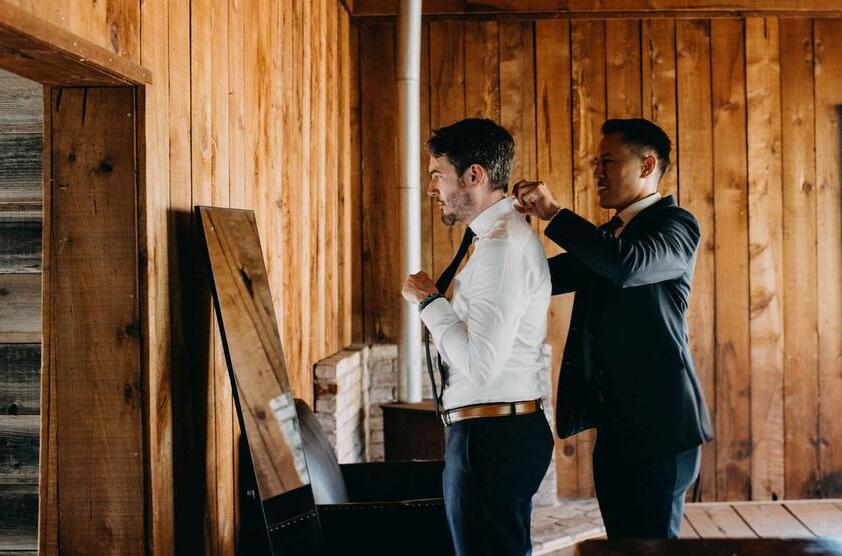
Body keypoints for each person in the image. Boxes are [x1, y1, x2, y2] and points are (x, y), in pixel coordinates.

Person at [513, 118, 714, 539]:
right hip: (616, 428)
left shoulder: (677, 225)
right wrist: (509, 233)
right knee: (622, 545)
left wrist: (553, 213)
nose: (597, 173)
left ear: (647, 165)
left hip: (662, 429)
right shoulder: (609, 237)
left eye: (608, 161)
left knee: (654, 548)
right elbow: (546, 278)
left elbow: (627, 265)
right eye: (596, 163)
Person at [401, 118, 553, 555]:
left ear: (474, 175)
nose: (431, 189)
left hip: (491, 440)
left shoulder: (500, 248)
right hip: (495, 434)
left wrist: (429, 302)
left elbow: (480, 365)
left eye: (437, 175)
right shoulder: (494, 241)